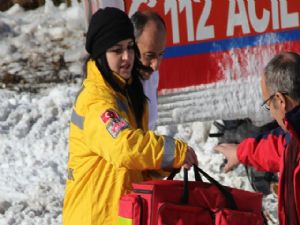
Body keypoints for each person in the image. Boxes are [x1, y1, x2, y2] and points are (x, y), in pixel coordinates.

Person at [62, 7, 198, 225]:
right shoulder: (97, 101)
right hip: (93, 217)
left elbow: (134, 166)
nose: (127, 57)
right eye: (117, 50)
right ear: (101, 54)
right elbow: (124, 148)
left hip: (119, 215)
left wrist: (164, 165)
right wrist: (174, 151)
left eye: (130, 48)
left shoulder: (127, 93)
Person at [214, 52, 300, 225]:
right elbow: (276, 148)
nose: (272, 113)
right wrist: (240, 152)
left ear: (280, 100)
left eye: (268, 105)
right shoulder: (293, 138)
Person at [131, 10, 167, 130]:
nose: (155, 66)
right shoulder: (117, 87)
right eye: (149, 55)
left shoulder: (151, 73)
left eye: (161, 54)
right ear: (131, 46)